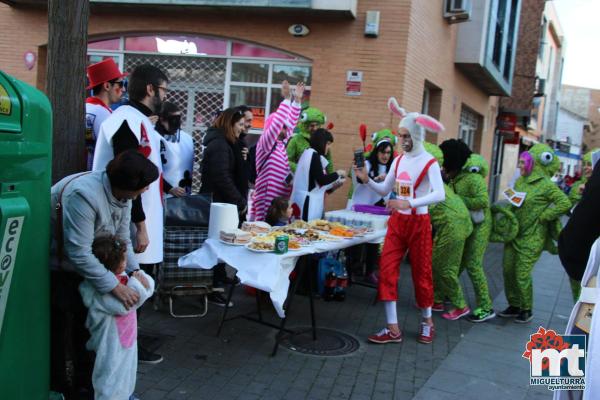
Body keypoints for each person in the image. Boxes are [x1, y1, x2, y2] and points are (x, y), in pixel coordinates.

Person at [50, 150, 159, 399]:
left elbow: (122, 239)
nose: (144, 192)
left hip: (90, 269)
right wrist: (115, 286)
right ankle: (68, 389)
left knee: (89, 334)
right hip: (61, 269)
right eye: (143, 187)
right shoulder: (84, 195)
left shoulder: (124, 195)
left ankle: (92, 387)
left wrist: (135, 270)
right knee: (68, 332)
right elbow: (78, 253)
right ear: (127, 184)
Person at [93, 64, 169, 364]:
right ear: (150, 89)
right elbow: (127, 174)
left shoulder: (137, 119)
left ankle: (131, 344)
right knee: (130, 284)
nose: (165, 96)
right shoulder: (126, 119)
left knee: (141, 283)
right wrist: (140, 225)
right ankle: (124, 346)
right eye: (164, 89)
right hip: (123, 221)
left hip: (139, 216)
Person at [355, 98, 445, 345]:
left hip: (419, 223)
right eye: (400, 135)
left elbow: (440, 194)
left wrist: (410, 203)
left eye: (407, 136)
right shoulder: (398, 160)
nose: (402, 141)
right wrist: (366, 179)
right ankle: (392, 328)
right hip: (397, 223)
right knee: (386, 270)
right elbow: (384, 189)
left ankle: (427, 321)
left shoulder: (429, 162)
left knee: (421, 273)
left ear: (417, 135)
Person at [499, 146, 571, 323]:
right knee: (508, 270)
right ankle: (514, 305)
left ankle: (526, 308)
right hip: (515, 234)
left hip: (533, 236)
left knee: (521, 273)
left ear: (534, 163)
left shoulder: (546, 185)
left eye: (523, 162)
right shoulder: (521, 181)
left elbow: (564, 202)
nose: (520, 165)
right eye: (520, 162)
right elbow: (514, 201)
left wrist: (545, 216)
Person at [81, 235, 154, 400]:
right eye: (124, 259)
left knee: (126, 371)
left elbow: (140, 292)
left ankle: (126, 394)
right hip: (110, 343)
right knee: (110, 376)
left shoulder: (123, 278)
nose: (127, 262)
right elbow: (127, 304)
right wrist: (141, 283)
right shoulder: (101, 289)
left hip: (126, 339)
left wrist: (139, 282)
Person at [440, 140, 495, 323]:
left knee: (473, 264)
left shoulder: (473, 178)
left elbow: (483, 201)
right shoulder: (455, 177)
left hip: (480, 226)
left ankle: (486, 307)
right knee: (458, 262)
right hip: (465, 224)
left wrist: (457, 200)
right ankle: (449, 296)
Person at [200, 107, 249, 306]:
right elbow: (222, 177)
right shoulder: (220, 144)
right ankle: (213, 288)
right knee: (215, 246)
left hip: (223, 203)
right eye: (239, 125)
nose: (242, 129)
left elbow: (237, 173)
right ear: (229, 124)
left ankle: (218, 281)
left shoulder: (229, 143)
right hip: (218, 204)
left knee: (220, 246)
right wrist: (239, 200)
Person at [425, 142, 473, 321]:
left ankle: (461, 306)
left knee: (445, 268)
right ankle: (436, 300)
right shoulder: (434, 179)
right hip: (457, 224)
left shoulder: (428, 182)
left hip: (453, 226)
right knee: (437, 262)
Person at [249, 80, 303, 222]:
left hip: (280, 201)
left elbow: (290, 124)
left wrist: (297, 101)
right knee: (262, 231)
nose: (287, 129)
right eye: (283, 127)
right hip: (266, 201)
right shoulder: (266, 143)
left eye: (286, 127)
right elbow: (277, 124)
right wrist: (286, 100)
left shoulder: (281, 143)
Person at [346, 139, 395, 285]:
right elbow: (361, 180)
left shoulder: (392, 168)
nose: (385, 156)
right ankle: (351, 271)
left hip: (378, 210)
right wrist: (373, 178)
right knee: (356, 241)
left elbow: (393, 187)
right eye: (382, 152)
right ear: (376, 152)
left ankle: (369, 272)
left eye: (388, 152)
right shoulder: (367, 163)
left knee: (374, 242)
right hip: (360, 208)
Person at [290, 128, 346, 221]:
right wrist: (337, 173)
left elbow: (315, 184)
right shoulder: (313, 155)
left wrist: (333, 186)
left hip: (306, 200)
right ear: (321, 142)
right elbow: (322, 180)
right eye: (328, 144)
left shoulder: (308, 153)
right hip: (307, 203)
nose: (329, 147)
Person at [85, 58, 127, 170]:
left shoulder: (85, 107)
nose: (123, 89)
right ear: (107, 86)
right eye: (120, 84)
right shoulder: (104, 115)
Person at [156, 101, 193, 197]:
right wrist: (169, 188)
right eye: (173, 119)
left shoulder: (187, 139)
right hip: (159, 196)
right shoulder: (153, 137)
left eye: (178, 119)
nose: (176, 123)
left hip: (182, 197)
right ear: (162, 119)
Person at [287, 106, 334, 173]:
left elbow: (328, 161)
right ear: (305, 125)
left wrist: (333, 179)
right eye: (312, 125)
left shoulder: (323, 140)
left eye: (317, 125)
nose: (315, 128)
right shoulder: (296, 140)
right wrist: (301, 170)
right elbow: (287, 161)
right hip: (300, 179)